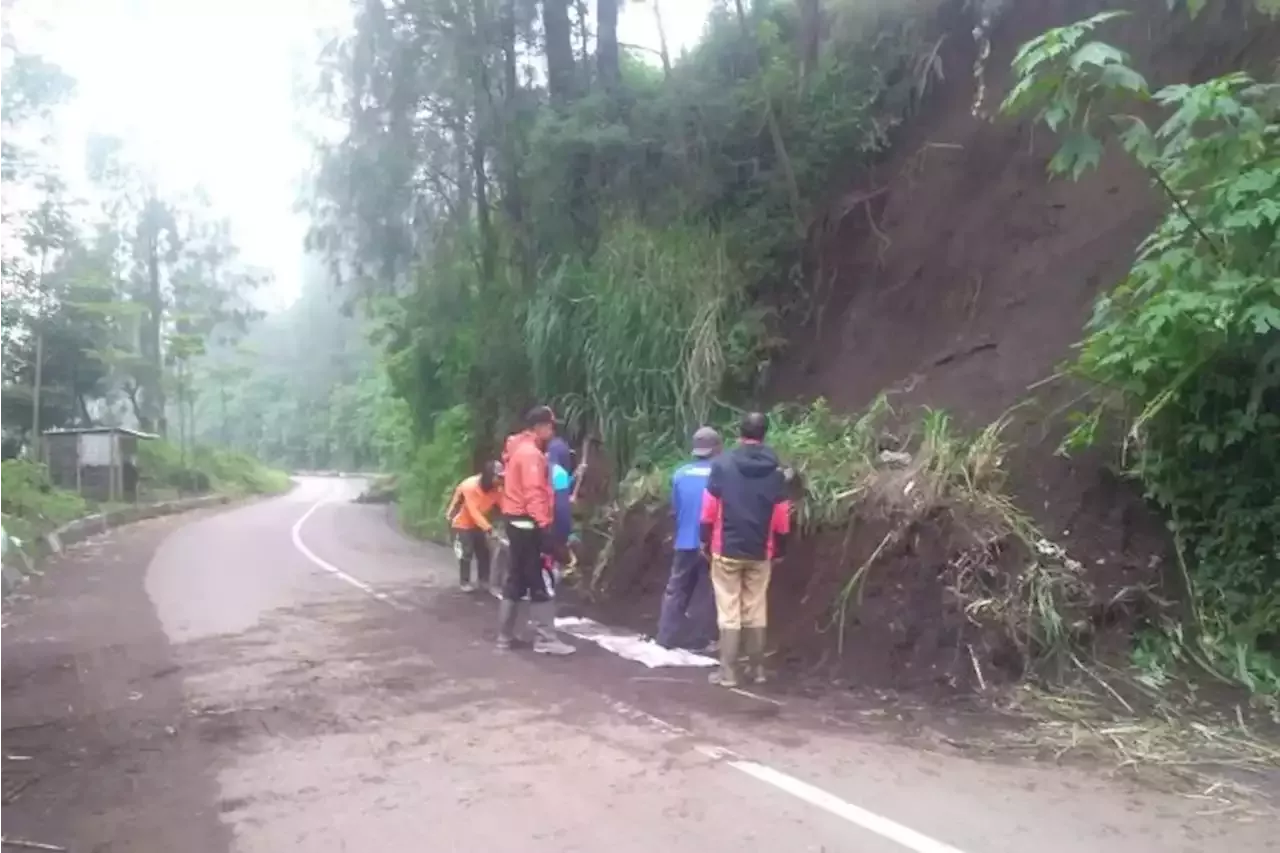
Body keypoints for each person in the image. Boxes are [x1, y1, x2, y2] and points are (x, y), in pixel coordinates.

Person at [700, 412, 791, 688]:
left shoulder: (723, 465)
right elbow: (782, 516)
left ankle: (728, 672)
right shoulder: (776, 471)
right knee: (755, 607)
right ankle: (758, 670)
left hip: (726, 547)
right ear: (764, 434)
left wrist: (704, 541)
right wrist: (780, 550)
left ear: (740, 434)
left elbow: (708, 510)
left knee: (729, 608)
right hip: (760, 550)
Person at [498, 406, 575, 655]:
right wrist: (545, 528)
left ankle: (504, 636)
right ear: (540, 427)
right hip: (528, 524)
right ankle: (545, 639)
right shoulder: (531, 455)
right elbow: (533, 494)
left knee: (515, 579)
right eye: (551, 426)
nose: (552, 431)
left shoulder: (516, 450)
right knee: (541, 580)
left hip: (515, 523)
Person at [655, 426, 721, 652]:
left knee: (676, 588)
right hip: (710, 542)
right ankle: (699, 640)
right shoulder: (720, 473)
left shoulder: (680, 474)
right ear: (717, 448)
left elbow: (675, 509)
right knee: (706, 589)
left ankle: (666, 636)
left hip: (683, 541)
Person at [445, 461, 503, 593]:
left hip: (477, 523)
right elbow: (473, 512)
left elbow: (505, 506)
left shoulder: (496, 490)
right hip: (460, 521)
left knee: (484, 551)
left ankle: (483, 580)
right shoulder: (469, 487)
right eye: (497, 477)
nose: (500, 480)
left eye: (501, 477)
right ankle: (464, 581)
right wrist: (489, 529)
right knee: (467, 551)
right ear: (489, 476)